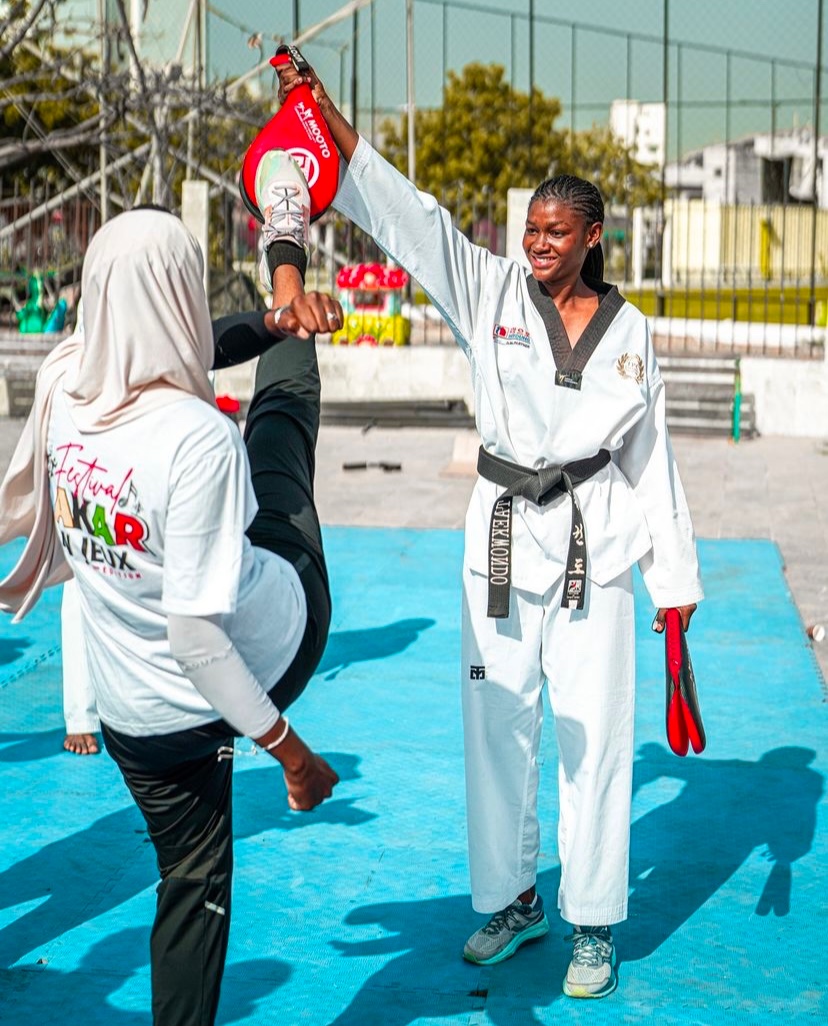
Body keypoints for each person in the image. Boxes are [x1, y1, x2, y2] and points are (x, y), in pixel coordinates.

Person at [273, 58, 703, 999]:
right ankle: (513, 901)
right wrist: (322, 112)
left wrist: (675, 592)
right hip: (501, 544)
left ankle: (594, 921)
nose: (539, 243)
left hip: (595, 550)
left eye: (557, 232)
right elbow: (407, 213)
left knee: (593, 737)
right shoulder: (490, 292)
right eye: (530, 230)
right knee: (495, 723)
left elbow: (652, 458)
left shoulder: (631, 334)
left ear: (594, 237)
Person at [0, 154, 343, 1025]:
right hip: (274, 637)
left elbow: (184, 341)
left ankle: (286, 285)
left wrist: (265, 323)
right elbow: (200, 638)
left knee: (186, 885)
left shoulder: (66, 382)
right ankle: (287, 242)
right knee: (281, 432)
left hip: (129, 721)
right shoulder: (193, 440)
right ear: (179, 291)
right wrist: (291, 755)